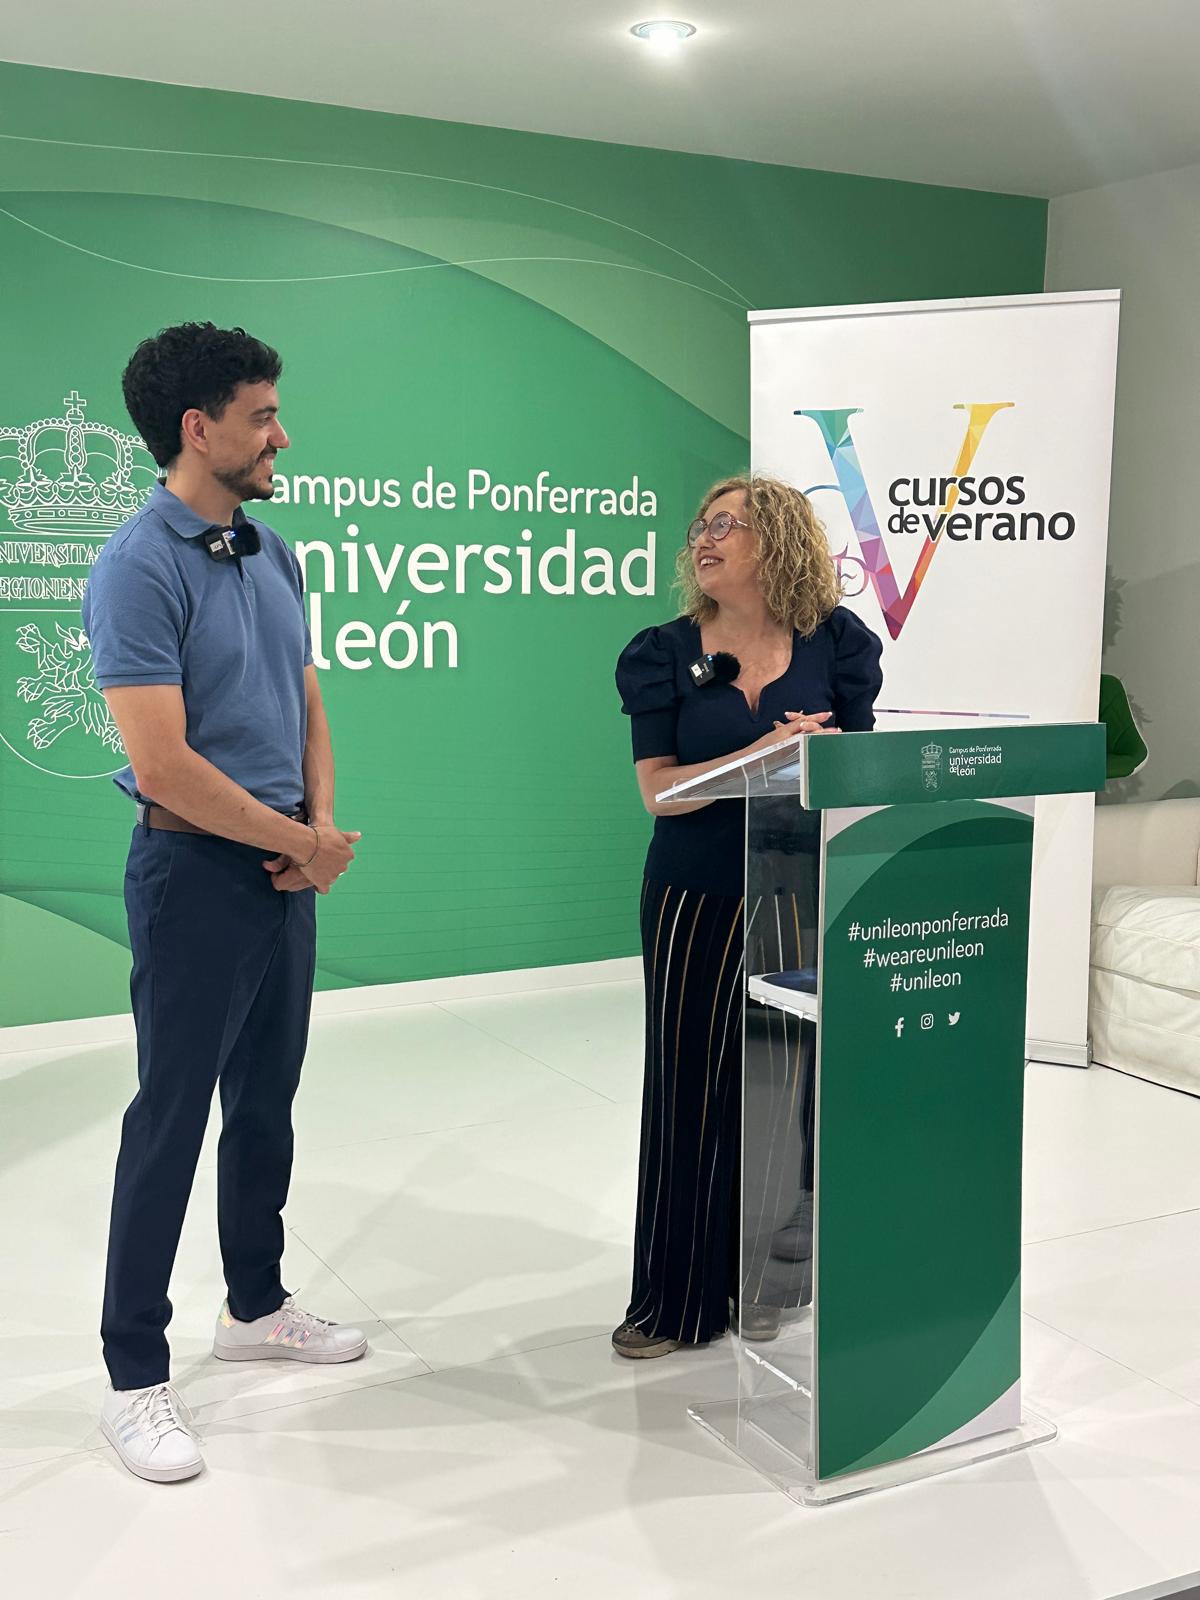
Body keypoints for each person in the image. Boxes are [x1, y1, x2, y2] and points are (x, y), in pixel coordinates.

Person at [82, 323, 366, 1483]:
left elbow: (306, 698)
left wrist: (315, 838)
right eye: (261, 415)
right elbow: (164, 765)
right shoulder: (134, 564)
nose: (280, 435)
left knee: (267, 1103)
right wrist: (298, 838)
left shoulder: (274, 548)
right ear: (197, 429)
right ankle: (132, 1376)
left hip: (281, 872)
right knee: (172, 1115)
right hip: (193, 876)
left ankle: (253, 1308)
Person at [612, 474, 883, 1358]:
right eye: (703, 523)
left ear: (778, 541)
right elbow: (660, 795)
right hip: (694, 897)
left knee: (785, 1088)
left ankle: (768, 1283)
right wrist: (761, 754)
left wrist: (832, 758)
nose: (706, 536)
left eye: (728, 523)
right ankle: (674, 1298)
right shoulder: (660, 651)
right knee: (689, 1086)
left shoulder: (839, 646)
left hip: (800, 893)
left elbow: (860, 780)